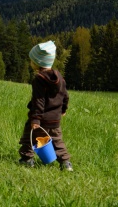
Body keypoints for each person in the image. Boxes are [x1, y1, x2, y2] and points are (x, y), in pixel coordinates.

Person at [18, 40, 73, 171]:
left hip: (40, 118)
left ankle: (27, 159)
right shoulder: (60, 77)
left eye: (32, 60)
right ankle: (65, 163)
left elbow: (39, 100)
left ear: (37, 62)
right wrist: (63, 109)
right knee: (57, 141)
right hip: (55, 119)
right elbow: (65, 96)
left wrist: (35, 119)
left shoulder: (39, 79)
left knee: (29, 138)